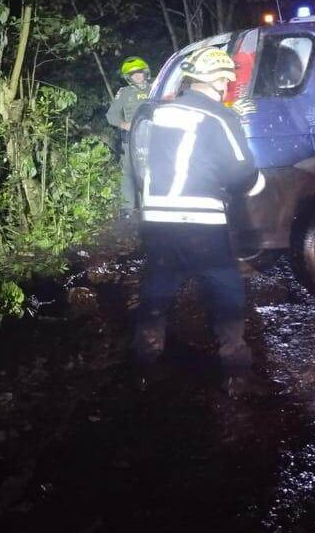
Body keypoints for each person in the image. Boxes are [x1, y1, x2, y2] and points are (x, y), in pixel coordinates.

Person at [128, 46, 264, 396]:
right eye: (227, 82)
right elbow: (241, 173)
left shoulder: (157, 112)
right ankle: (236, 373)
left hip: (158, 218)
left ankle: (144, 366)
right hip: (202, 221)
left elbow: (140, 163)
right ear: (220, 80)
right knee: (226, 289)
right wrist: (255, 183)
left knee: (157, 288)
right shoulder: (221, 116)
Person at [106, 56, 151, 215]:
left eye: (139, 72)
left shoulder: (156, 88)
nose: (137, 76)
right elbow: (111, 116)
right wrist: (124, 124)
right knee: (129, 172)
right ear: (129, 77)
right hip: (132, 140)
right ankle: (127, 209)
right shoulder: (124, 93)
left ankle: (152, 205)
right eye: (133, 74)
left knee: (154, 171)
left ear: (145, 72)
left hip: (154, 138)